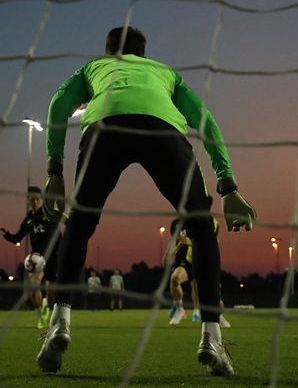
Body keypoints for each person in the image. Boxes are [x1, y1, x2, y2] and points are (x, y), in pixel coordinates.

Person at [36, 26, 255, 376]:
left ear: (108, 52)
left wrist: (54, 170)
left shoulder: (94, 68)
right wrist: (227, 186)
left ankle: (60, 322)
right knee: (201, 226)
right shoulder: (165, 73)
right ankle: (211, 335)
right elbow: (205, 120)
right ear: (145, 53)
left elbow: (58, 105)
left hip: (105, 129)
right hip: (163, 130)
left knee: (79, 225)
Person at [0, 186, 62, 329]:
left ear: (41, 200)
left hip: (53, 256)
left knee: (51, 294)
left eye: (37, 200)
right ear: (28, 200)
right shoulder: (28, 220)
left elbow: (60, 233)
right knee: (33, 285)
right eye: (32, 199)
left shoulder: (50, 213)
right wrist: (7, 234)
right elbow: (17, 238)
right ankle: (40, 318)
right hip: (37, 257)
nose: (35, 202)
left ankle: (46, 304)